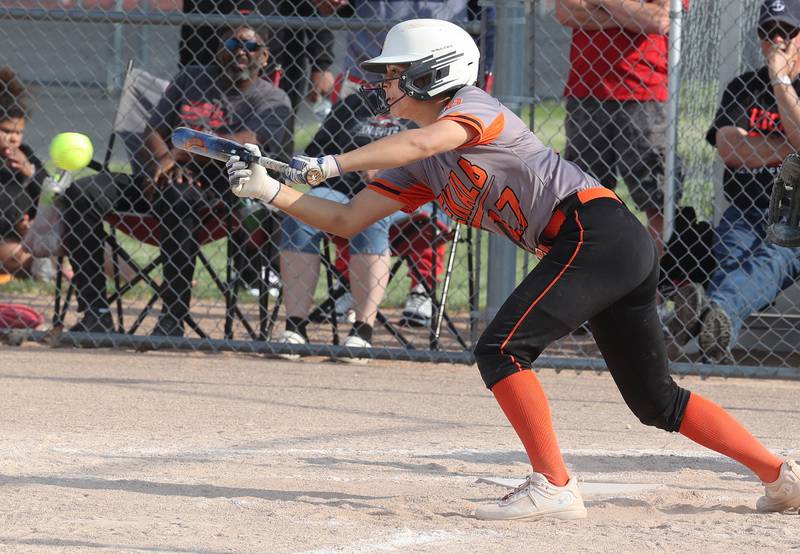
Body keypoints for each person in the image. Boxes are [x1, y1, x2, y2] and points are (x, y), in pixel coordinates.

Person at [226, 18, 800, 519]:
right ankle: (781, 475)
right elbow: (350, 219)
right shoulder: (420, 162)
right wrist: (271, 189)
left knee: (500, 349)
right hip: (600, 246)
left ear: (434, 73)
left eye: (397, 73)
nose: (385, 84)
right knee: (656, 402)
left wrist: (329, 162)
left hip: (596, 232)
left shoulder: (471, 108)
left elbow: (425, 141)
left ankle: (552, 484)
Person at [63, 25, 292, 336]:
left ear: (264, 57)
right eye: (232, 43)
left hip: (219, 192)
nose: (241, 51)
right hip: (159, 178)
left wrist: (180, 155)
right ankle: (96, 312)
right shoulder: (190, 78)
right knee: (81, 193)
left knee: (179, 196)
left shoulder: (273, 98)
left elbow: (246, 141)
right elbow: (152, 130)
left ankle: (172, 318)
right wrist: (162, 163)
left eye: (251, 47)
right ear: (218, 49)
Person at [672, 0, 800, 364]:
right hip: (744, 209)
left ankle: (706, 317)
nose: (777, 40)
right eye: (767, 32)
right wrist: (788, 147)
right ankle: (716, 334)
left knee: (773, 258)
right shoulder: (743, 87)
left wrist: (779, 80)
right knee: (732, 261)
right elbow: (730, 147)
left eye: (787, 31)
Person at [276, 92, 413, 361]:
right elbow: (318, 149)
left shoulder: (423, 105)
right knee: (298, 216)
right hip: (339, 190)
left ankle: (362, 333)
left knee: (371, 217)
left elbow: (432, 159)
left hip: (400, 194)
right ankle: (295, 330)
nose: (386, 78)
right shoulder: (352, 104)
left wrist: (388, 171)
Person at [555, 0, 686, 256]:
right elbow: (564, 11)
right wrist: (629, 13)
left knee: (657, 200)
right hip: (587, 89)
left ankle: (653, 290)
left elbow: (659, 19)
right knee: (583, 201)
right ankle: (596, 287)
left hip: (644, 91)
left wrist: (601, 4)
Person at [0, 67, 49, 279]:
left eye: (18, 132)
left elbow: (50, 193)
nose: (14, 139)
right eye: (6, 131)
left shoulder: (25, 155)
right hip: (5, 240)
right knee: (12, 253)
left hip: (29, 233)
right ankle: (48, 270)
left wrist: (30, 171)